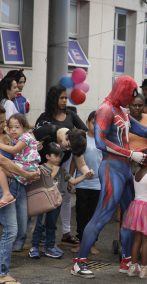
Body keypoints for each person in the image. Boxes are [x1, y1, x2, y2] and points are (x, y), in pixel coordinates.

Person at [71, 75, 147, 279]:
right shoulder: (106, 110)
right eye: (131, 93)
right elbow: (100, 142)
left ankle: (127, 260)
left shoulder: (120, 111)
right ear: (122, 91)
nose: (133, 97)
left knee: (129, 217)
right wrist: (131, 154)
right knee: (103, 213)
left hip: (125, 169)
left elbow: (144, 129)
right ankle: (79, 261)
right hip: (112, 168)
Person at [0, 103, 39, 284]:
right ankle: (3, 274)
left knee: (21, 230)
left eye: (5, 121)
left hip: (18, 185)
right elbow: (1, 160)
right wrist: (26, 174)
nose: (4, 125)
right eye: (0, 122)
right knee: (11, 231)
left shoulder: (7, 134)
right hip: (2, 186)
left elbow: (23, 150)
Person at [35, 84, 89, 246]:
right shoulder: (45, 117)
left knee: (64, 197)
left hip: (65, 162)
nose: (65, 101)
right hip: (46, 164)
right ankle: (41, 236)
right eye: (61, 98)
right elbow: (35, 137)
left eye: (66, 97)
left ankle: (66, 232)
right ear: (53, 99)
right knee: (44, 199)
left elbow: (84, 132)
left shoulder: (71, 115)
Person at [29, 142, 93, 259]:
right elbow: (46, 181)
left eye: (60, 155)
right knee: (39, 224)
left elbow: (72, 181)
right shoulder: (40, 168)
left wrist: (85, 176)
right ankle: (34, 247)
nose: (59, 157)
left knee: (52, 225)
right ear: (48, 156)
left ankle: (50, 247)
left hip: (56, 202)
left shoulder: (62, 170)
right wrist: (54, 171)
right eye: (56, 155)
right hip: (42, 202)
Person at [122, 149, 147, 279]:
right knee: (146, 239)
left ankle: (133, 266)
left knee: (137, 239)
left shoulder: (137, 173)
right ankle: (144, 269)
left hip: (136, 207)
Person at [0, 113, 41, 209]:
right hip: (25, 166)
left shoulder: (25, 137)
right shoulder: (18, 138)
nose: (13, 129)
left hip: (27, 167)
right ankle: (7, 194)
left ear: (24, 128)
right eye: (10, 127)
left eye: (17, 127)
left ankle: (6, 194)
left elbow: (14, 150)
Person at [71, 111, 103, 255]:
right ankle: (81, 242)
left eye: (99, 124)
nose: (95, 126)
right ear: (88, 122)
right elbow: (74, 159)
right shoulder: (82, 137)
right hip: (82, 183)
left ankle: (92, 243)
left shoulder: (103, 140)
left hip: (98, 184)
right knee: (81, 214)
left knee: (94, 215)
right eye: (93, 123)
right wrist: (71, 179)